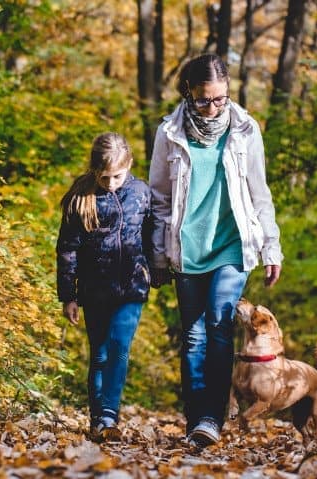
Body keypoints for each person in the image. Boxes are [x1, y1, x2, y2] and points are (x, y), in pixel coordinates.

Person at [148, 53, 283, 447]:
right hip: (187, 248)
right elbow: (158, 197)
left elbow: (260, 192)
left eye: (220, 99)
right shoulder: (169, 133)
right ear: (189, 92)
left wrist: (271, 246)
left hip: (231, 245)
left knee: (219, 326)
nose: (212, 108)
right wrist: (157, 254)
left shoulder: (245, 130)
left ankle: (211, 418)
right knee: (192, 336)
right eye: (204, 99)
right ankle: (196, 421)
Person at [57, 132, 152, 443]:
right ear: (94, 171)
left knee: (119, 348)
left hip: (132, 287)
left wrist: (157, 270)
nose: (111, 183)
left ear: (130, 166)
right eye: (105, 177)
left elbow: (152, 237)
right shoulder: (80, 199)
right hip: (94, 289)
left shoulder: (141, 192)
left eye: (117, 176)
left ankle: (109, 414)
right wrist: (68, 295)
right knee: (99, 353)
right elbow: (67, 249)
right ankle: (97, 418)